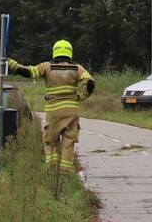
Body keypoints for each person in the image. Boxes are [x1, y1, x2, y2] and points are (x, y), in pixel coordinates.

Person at [9, 39, 94, 175]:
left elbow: (28, 72)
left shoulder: (47, 66)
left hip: (53, 110)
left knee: (51, 141)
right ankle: (65, 172)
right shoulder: (77, 68)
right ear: (69, 52)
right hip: (72, 111)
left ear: (55, 52)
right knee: (68, 142)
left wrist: (12, 64)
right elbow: (90, 83)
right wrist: (81, 97)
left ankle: (52, 171)